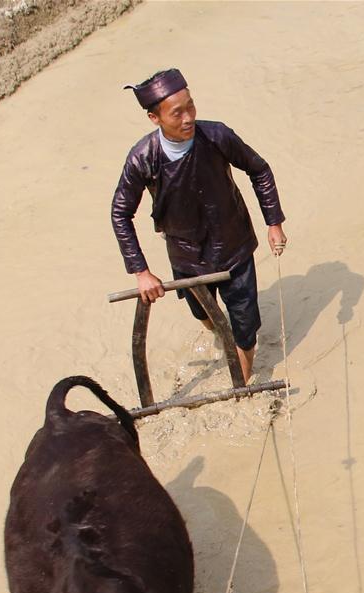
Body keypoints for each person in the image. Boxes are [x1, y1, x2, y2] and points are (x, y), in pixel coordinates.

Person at [111, 68, 287, 383]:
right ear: (155, 118)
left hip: (234, 246)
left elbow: (258, 170)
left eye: (190, 106)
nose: (188, 118)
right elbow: (120, 213)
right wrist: (141, 271)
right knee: (203, 314)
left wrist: (273, 222)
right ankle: (223, 334)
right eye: (177, 113)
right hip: (186, 256)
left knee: (245, 327)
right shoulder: (142, 158)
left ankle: (240, 384)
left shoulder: (217, 136)